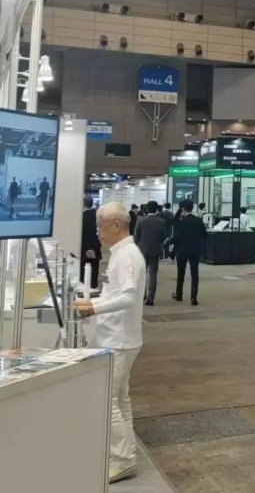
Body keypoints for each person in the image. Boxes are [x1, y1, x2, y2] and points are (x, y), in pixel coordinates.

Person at [74, 202, 145, 484]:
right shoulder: (119, 253)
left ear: (116, 225)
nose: (97, 232)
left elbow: (128, 297)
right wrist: (92, 300)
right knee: (120, 399)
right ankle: (125, 453)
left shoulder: (127, 256)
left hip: (120, 339)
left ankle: (124, 460)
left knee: (109, 400)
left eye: (100, 225)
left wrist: (94, 308)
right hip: (119, 337)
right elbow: (114, 293)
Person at [171, 198, 207, 306]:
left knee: (181, 273)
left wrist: (168, 243)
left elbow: (177, 237)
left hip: (182, 250)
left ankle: (179, 294)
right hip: (195, 250)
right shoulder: (198, 221)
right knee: (194, 274)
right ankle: (193, 297)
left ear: (182, 209)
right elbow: (205, 234)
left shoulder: (181, 222)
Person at [133, 200, 168, 306]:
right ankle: (150, 298)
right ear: (157, 209)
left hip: (142, 251)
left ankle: (141, 296)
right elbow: (163, 237)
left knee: (142, 275)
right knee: (153, 275)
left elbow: (136, 238)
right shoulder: (161, 222)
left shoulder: (140, 221)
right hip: (155, 251)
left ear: (147, 209)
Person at [80, 195, 101, 289]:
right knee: (93, 274)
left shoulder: (81, 218)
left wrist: (88, 248)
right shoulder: (98, 216)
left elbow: (83, 235)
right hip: (96, 249)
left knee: (84, 276)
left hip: (84, 250)